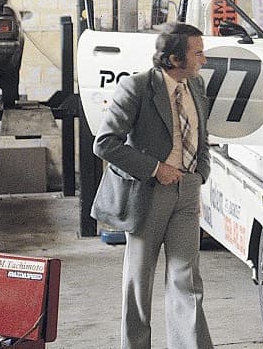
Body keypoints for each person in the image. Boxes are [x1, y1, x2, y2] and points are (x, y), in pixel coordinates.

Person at [92, 22, 213, 349]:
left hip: (187, 190)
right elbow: (105, 143)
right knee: (139, 283)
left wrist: (199, 174)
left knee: (188, 280)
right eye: (198, 53)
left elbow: (202, 136)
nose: (203, 59)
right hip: (148, 194)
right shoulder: (137, 88)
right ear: (174, 59)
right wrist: (156, 169)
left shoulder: (196, 85)